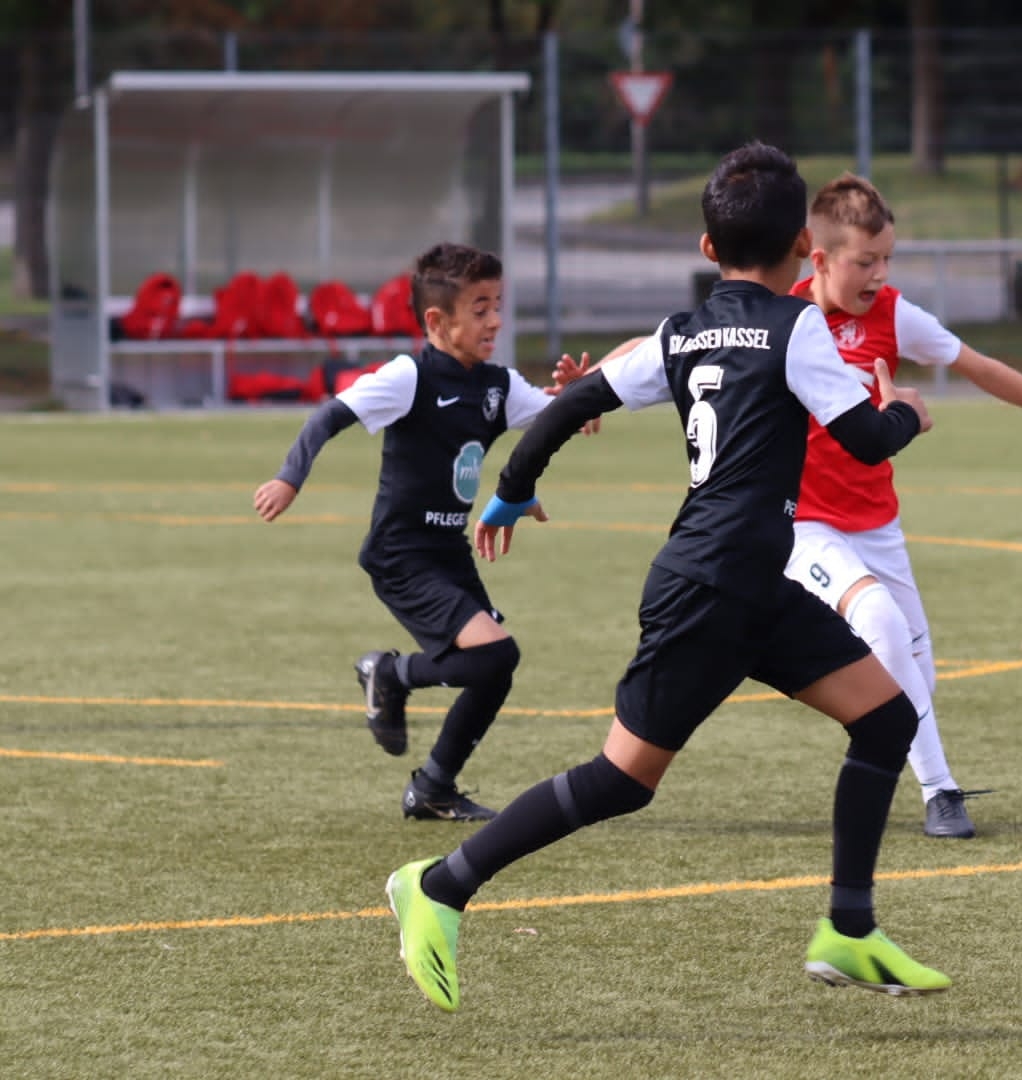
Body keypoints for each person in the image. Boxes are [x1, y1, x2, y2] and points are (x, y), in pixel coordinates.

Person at [384, 142, 951, 1013]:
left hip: (751, 587)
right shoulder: (797, 326)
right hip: (713, 591)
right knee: (620, 782)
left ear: (707, 247)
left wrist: (511, 492)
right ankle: (440, 885)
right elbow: (867, 441)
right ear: (804, 248)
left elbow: (574, 404)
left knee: (886, 719)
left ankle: (849, 928)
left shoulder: (679, 334)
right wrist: (905, 410)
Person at [783, 173, 1022, 839]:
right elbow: (670, 345)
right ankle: (940, 793)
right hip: (805, 523)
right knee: (881, 626)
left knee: (917, 672)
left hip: (876, 523)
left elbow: (980, 367)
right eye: (865, 261)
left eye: (888, 259)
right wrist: (589, 386)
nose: (881, 275)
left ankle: (896, 757)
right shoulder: (785, 317)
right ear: (820, 258)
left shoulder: (893, 316)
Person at [254, 242, 583, 822]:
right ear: (436, 320)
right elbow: (329, 416)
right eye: (480, 309)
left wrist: (580, 395)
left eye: (498, 305)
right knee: (497, 654)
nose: (495, 320)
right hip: (401, 554)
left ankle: (433, 788)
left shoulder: (497, 385)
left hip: (448, 552)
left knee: (495, 670)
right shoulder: (410, 376)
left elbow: (556, 415)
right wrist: (289, 477)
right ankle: (390, 674)